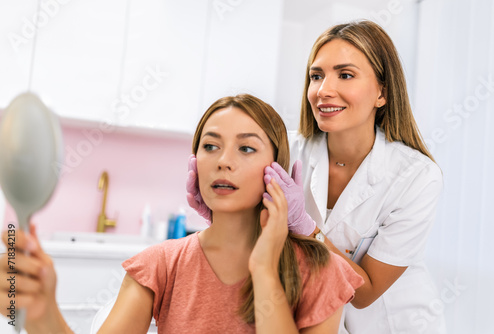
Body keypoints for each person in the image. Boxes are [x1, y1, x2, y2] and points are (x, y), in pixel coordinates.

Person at [0, 94, 363, 333]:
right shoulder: (159, 266)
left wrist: (265, 269)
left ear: (279, 172)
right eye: (210, 146)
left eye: (247, 148)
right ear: (195, 165)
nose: (223, 161)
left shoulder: (321, 272)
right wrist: (41, 311)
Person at [187, 21, 446, 333]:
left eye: (345, 75)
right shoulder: (286, 151)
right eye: (316, 76)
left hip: (390, 324)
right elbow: (260, 240)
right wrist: (220, 215)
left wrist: (307, 228)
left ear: (382, 92)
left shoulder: (416, 177)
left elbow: (364, 291)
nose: (323, 90)